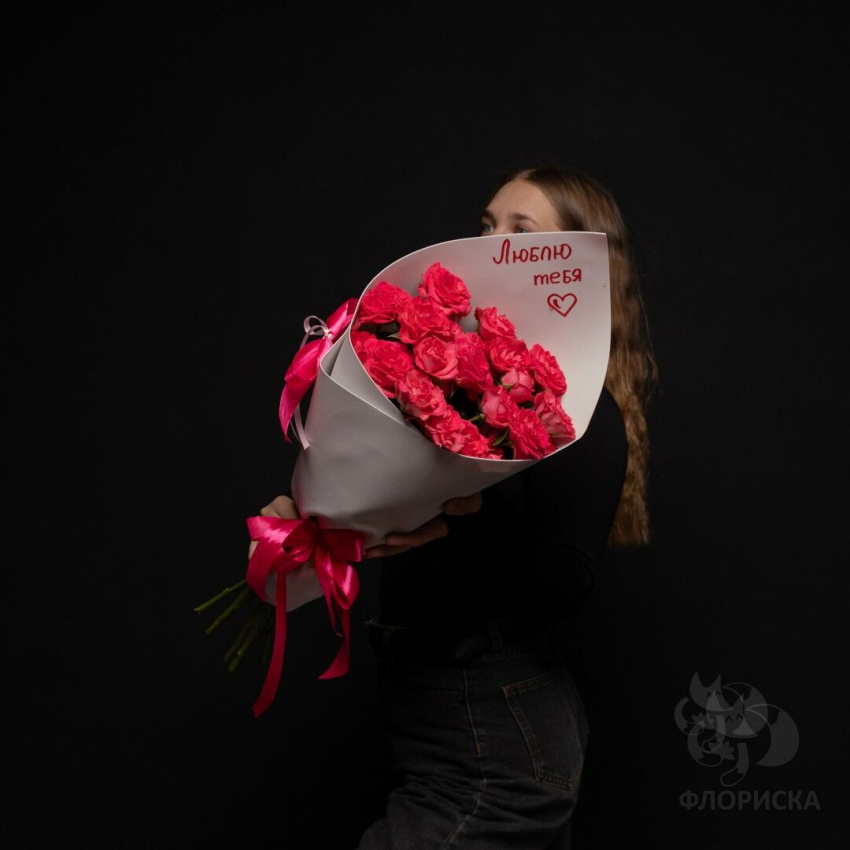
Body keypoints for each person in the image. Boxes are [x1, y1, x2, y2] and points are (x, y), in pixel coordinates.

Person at [254, 165, 657, 849]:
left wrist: (443, 525)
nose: (490, 245)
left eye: (520, 233)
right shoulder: (468, 380)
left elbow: (567, 576)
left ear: (573, 262)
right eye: (486, 226)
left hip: (497, 734)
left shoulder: (577, 413)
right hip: (458, 715)